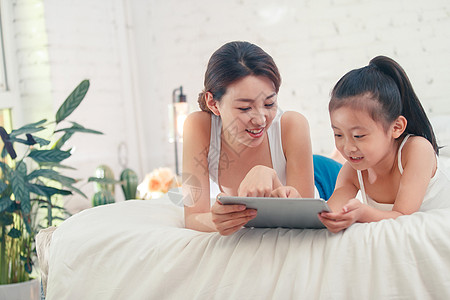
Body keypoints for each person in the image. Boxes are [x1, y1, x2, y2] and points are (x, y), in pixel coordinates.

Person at [182, 41, 315, 235]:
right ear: (213, 103)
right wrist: (217, 219)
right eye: (245, 108)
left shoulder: (293, 125)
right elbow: (192, 216)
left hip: (318, 174)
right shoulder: (197, 127)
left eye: (269, 104)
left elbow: (303, 215)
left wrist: (269, 174)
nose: (261, 120)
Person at [318, 55, 450, 233]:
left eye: (359, 135)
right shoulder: (351, 172)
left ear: (396, 127)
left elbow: (404, 216)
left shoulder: (417, 150)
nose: (348, 147)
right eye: (338, 134)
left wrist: (363, 213)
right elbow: (329, 213)